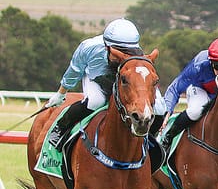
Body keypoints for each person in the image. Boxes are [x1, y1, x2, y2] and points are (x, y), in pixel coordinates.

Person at [45, 18, 164, 150]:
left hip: (126, 80)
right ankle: (60, 129)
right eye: (117, 51)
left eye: (127, 51)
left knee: (160, 108)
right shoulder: (88, 48)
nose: (122, 56)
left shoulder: (136, 54)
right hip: (96, 78)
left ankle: (150, 140)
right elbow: (74, 70)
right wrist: (61, 94)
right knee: (96, 101)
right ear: (106, 46)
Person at [159, 37, 218, 147]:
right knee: (196, 111)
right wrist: (167, 110)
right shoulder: (199, 65)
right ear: (211, 62)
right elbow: (175, 88)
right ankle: (168, 136)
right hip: (199, 88)